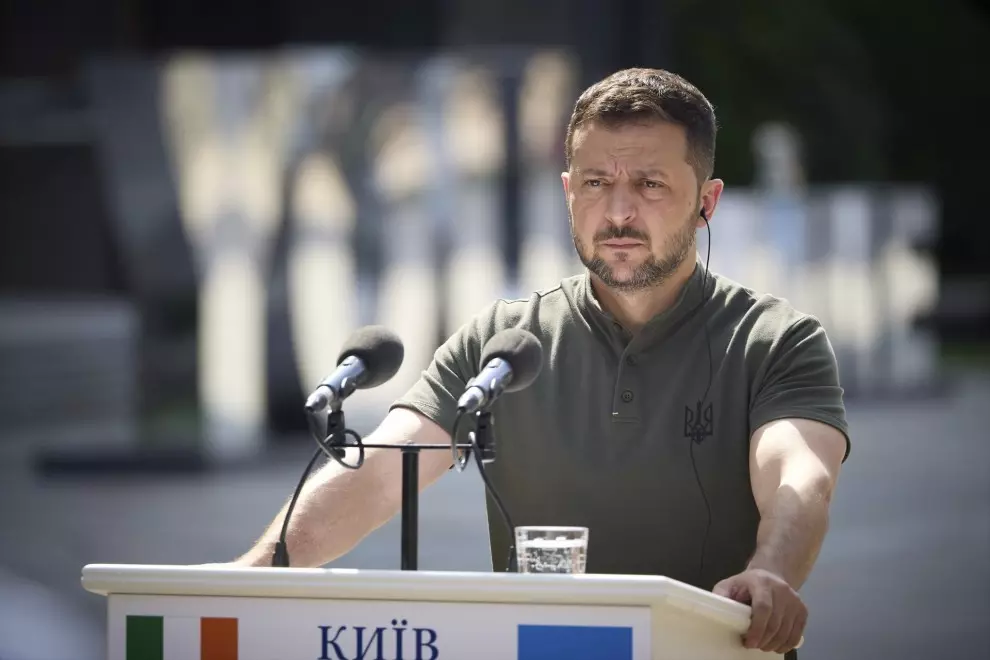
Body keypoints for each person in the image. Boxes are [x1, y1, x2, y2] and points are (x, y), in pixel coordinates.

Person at [232, 68, 850, 657]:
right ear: (567, 191)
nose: (618, 214)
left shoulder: (775, 339)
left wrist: (770, 575)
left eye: (651, 184)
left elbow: (799, 481)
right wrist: (248, 576)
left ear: (707, 202)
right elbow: (378, 473)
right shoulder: (502, 341)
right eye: (595, 183)